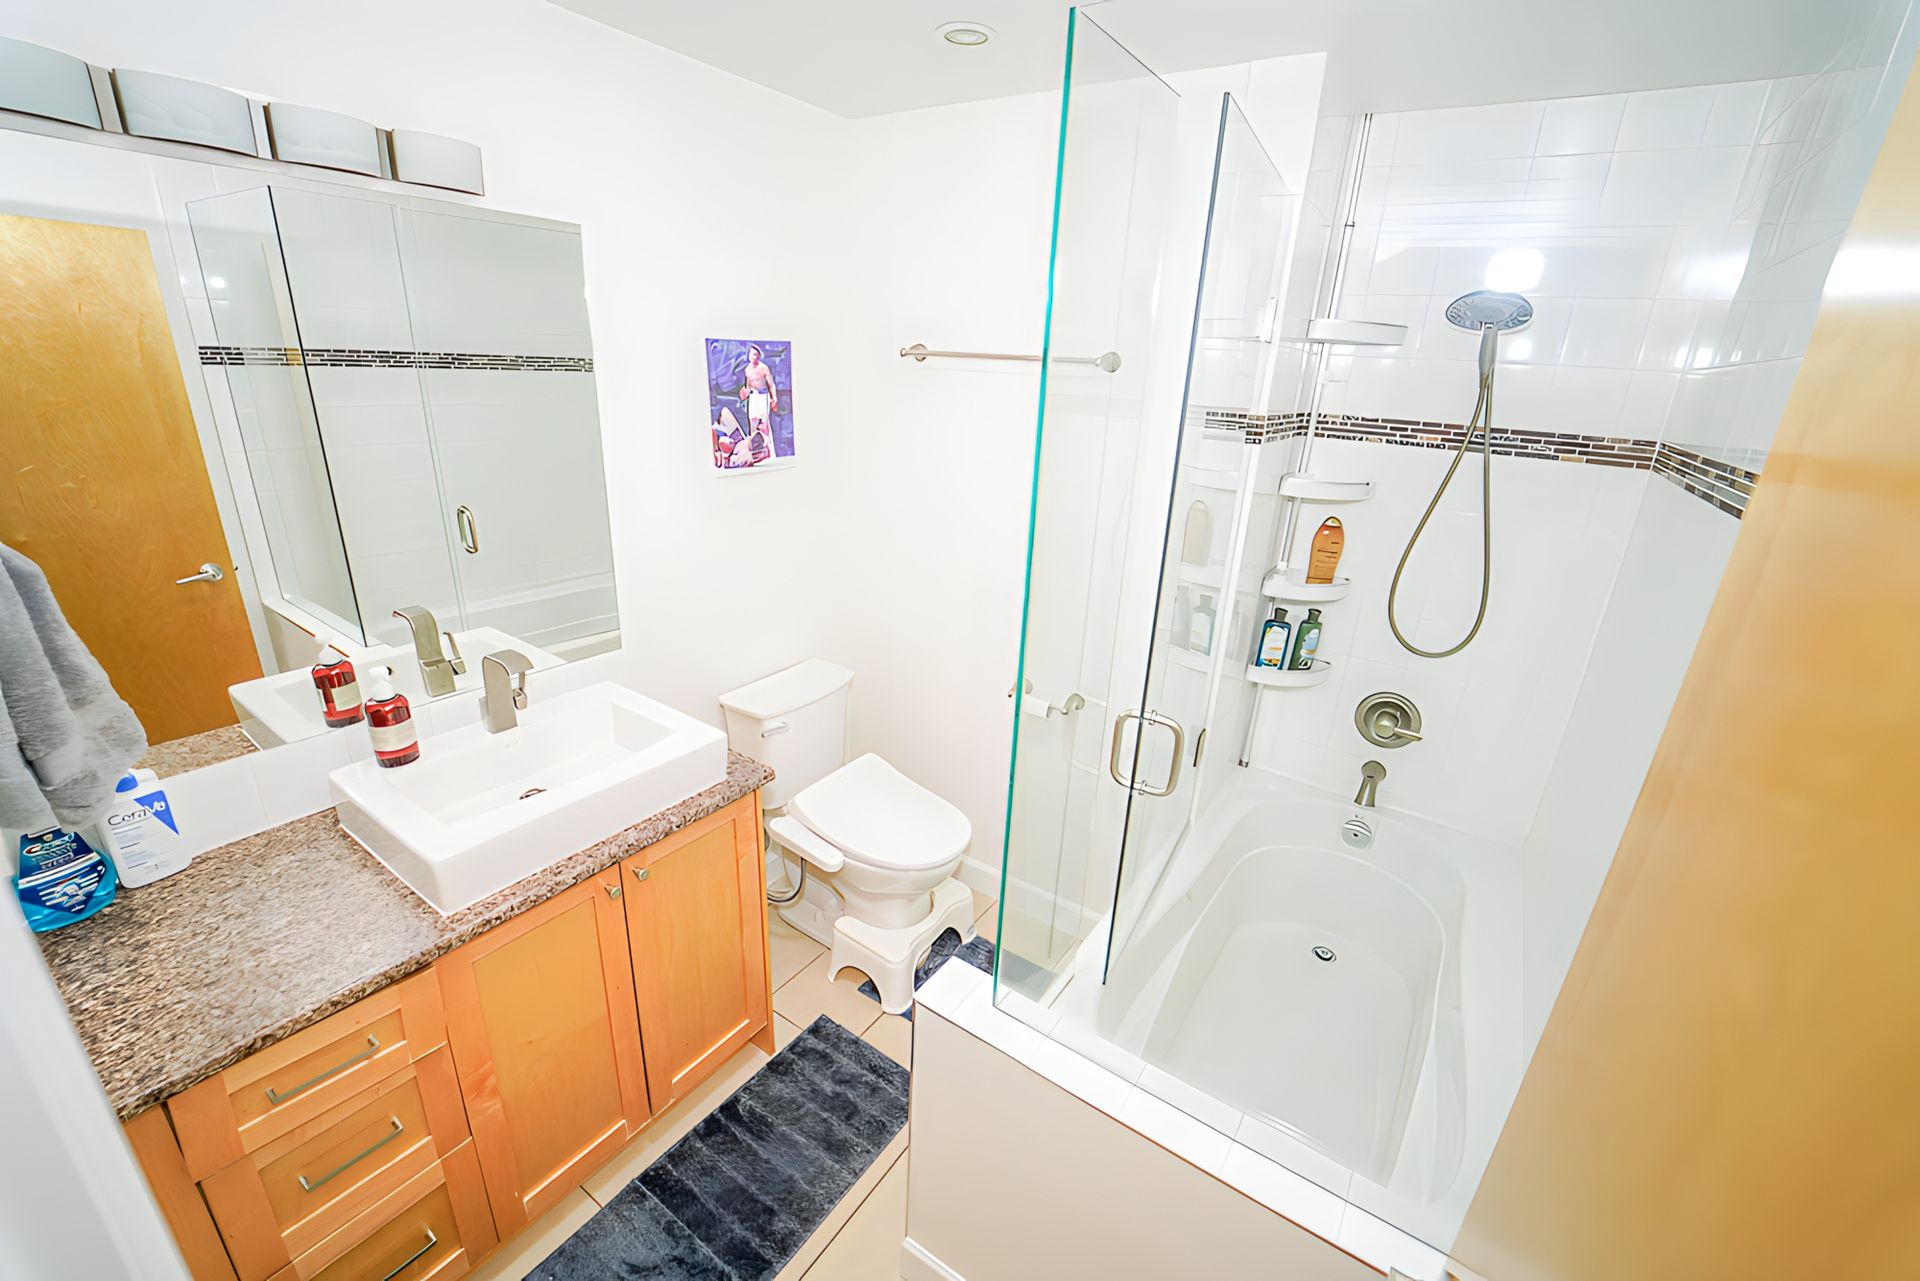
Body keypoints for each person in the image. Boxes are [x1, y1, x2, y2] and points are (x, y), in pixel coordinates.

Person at [737, 344, 779, 448]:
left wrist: (774, 398)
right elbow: (748, 386)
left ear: (759, 356)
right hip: (753, 398)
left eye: (755, 354)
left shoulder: (764, 368)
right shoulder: (747, 369)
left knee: (764, 424)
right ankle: (754, 449)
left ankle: (768, 448)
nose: (753, 357)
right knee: (753, 423)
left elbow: (771, 384)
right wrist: (743, 394)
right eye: (751, 354)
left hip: (763, 396)